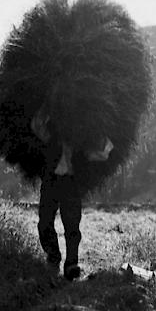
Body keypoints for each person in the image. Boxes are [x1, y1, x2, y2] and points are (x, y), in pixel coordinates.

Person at [30, 107, 113, 280]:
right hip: (50, 180)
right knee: (45, 222)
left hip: (71, 183)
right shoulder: (50, 134)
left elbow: (101, 152)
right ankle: (53, 257)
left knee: (72, 225)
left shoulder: (81, 140)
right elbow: (36, 126)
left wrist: (100, 133)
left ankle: (71, 265)